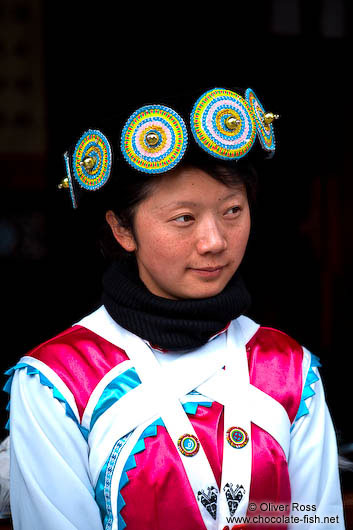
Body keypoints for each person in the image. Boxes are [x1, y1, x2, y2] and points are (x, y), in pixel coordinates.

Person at [4, 87, 345, 529]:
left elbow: (310, 519)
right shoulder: (58, 382)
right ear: (123, 229)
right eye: (184, 218)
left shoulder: (289, 370)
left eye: (232, 211)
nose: (214, 241)